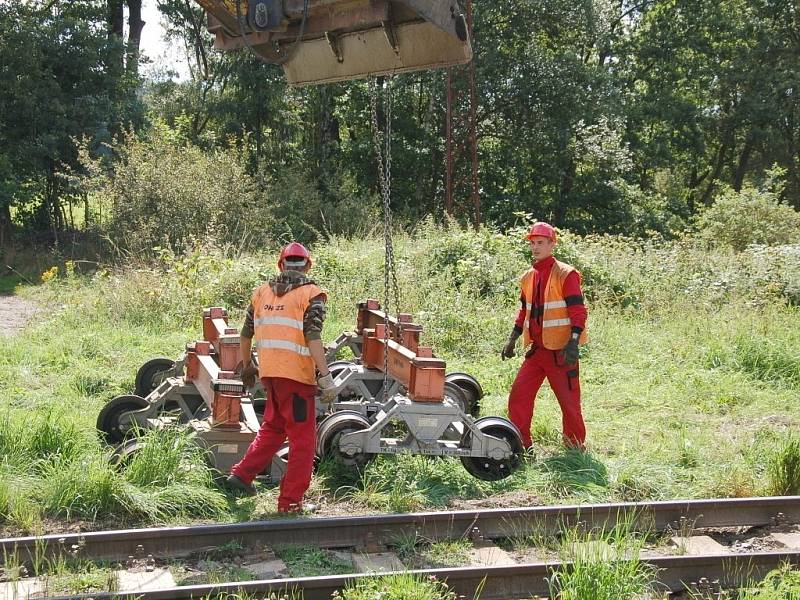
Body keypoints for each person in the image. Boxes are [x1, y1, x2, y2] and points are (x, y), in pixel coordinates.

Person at [225, 242, 337, 512]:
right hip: (297, 379)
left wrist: (249, 365)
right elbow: (313, 337)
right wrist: (325, 376)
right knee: (303, 442)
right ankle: (290, 502)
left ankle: (241, 476)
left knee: (274, 428)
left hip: (271, 375)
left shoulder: (262, 293)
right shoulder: (311, 295)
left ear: (280, 265)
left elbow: (245, 334)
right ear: (308, 266)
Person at [501, 222, 588, 450]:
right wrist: (513, 337)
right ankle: (521, 445)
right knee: (519, 396)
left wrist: (574, 342)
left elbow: (578, 311)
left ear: (552, 244)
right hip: (538, 352)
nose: (535, 247)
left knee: (569, 403)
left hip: (561, 352)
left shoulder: (566, 274)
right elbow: (525, 310)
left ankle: (574, 448)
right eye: (533, 243)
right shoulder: (528, 276)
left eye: (540, 243)